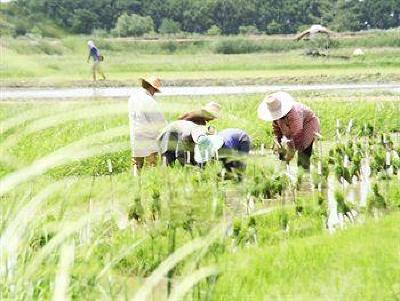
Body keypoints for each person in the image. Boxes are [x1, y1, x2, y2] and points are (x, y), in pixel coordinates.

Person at [257, 91, 320, 170]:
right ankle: (285, 170)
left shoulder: (294, 113)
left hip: (307, 125)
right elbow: (276, 130)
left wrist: (291, 150)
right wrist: (278, 142)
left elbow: (297, 133)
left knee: (303, 153)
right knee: (283, 154)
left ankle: (304, 174)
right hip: (295, 129)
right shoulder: (276, 117)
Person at [128, 76, 166, 169]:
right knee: (152, 164)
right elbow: (158, 121)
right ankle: (152, 180)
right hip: (149, 136)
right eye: (155, 91)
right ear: (152, 88)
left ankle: (136, 182)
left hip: (135, 135)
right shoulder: (149, 101)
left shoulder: (133, 98)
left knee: (136, 164)